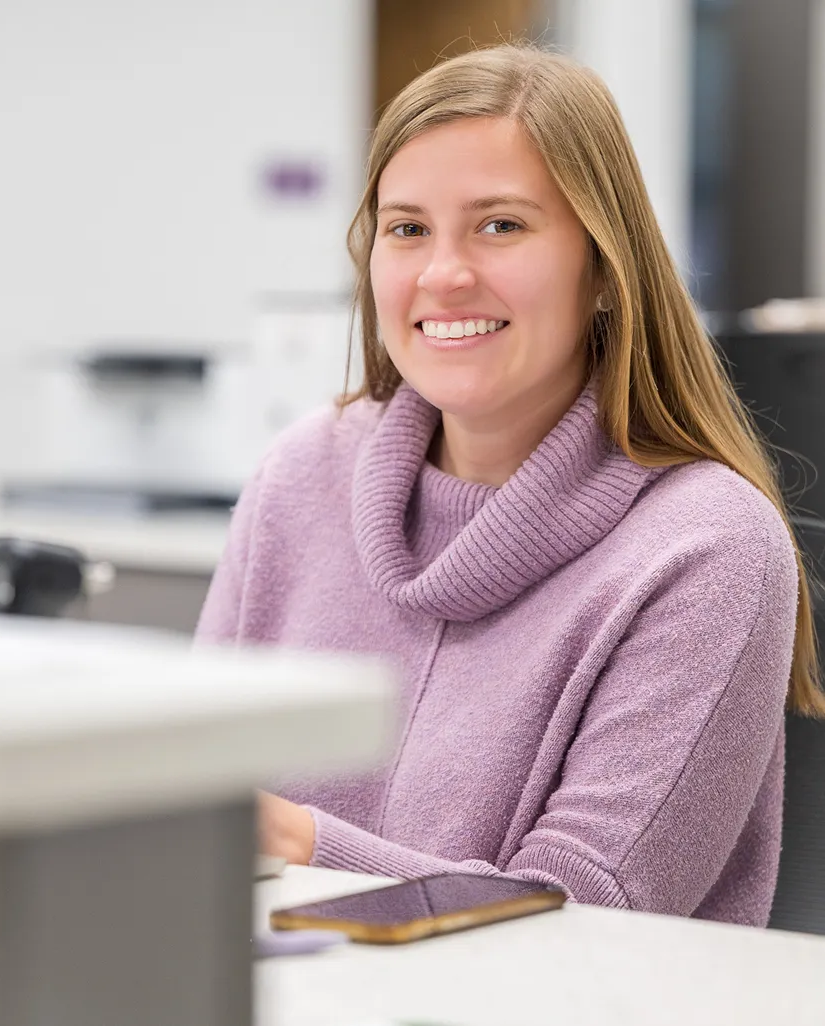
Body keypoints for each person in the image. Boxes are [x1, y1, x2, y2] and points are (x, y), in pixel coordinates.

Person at [196, 42, 825, 926]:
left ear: (604, 270)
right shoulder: (300, 476)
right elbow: (186, 796)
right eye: (407, 228)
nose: (444, 275)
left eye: (500, 225)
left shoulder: (707, 547)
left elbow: (596, 914)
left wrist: (299, 843)